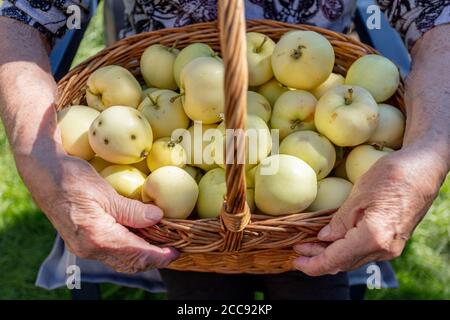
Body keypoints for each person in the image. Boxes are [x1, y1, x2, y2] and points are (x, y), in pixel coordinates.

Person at [0, 0, 449, 300]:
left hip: (327, 110)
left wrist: (427, 156)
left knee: (318, 280)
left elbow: (437, 16)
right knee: (199, 294)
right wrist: (38, 156)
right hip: (161, 106)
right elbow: (21, 14)